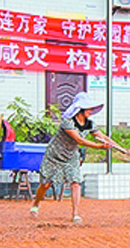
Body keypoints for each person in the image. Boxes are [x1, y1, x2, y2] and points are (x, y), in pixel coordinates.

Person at [29, 92, 110, 224]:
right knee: (46, 184)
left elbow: (103, 136)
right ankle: (36, 203)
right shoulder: (67, 122)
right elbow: (79, 139)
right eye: (88, 108)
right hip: (54, 155)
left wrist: (118, 147)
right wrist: (99, 146)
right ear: (80, 109)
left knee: (75, 182)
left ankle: (75, 213)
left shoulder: (89, 123)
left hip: (71, 156)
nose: (90, 111)